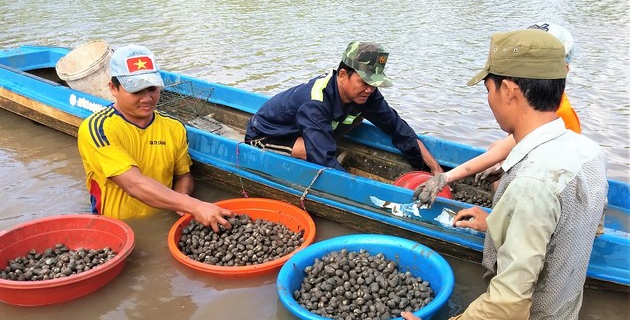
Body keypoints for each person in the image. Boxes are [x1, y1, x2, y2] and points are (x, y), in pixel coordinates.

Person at [405, 29, 608, 320]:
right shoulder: (590, 152)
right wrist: (499, 223)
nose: (489, 100)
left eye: (489, 89)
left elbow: (508, 305)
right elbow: (579, 228)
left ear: (510, 90)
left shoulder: (531, 183)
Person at [414, 22, 581, 208]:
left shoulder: (556, 113)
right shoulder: (542, 103)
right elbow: (504, 147)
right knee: (497, 150)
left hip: (552, 191)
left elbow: (503, 152)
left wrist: (446, 176)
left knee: (500, 163)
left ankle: (498, 217)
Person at [77, 44, 234, 232]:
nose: (147, 98)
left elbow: (183, 176)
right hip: (114, 227)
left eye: (152, 88)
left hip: (164, 216)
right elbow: (133, 184)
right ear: (113, 88)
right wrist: (194, 206)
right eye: (136, 91)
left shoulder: (174, 127)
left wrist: (181, 200)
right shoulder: (98, 129)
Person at [244, 41, 443, 174]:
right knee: (313, 150)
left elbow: (397, 128)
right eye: (364, 82)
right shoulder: (315, 102)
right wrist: (357, 187)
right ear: (342, 75)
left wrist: (433, 168)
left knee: (358, 118)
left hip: (309, 128)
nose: (369, 90)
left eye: (374, 84)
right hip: (266, 135)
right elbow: (323, 159)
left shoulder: (368, 94)